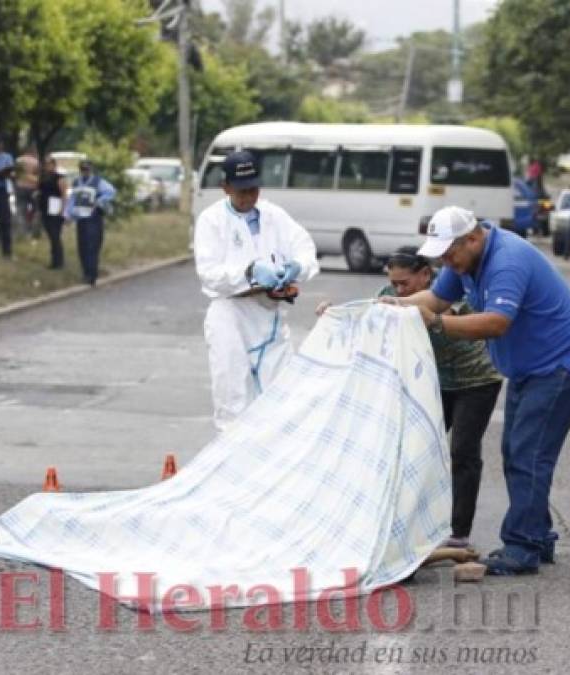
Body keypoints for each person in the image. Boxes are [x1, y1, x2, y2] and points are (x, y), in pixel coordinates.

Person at [387, 206, 570, 576]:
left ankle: (521, 548)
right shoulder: (464, 261)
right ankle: (536, 535)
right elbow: (434, 300)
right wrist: (389, 307)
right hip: (530, 367)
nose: (447, 262)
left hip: (562, 365)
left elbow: (496, 323)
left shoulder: (507, 261)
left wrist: (437, 324)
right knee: (518, 451)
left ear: (473, 238)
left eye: (450, 252)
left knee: (527, 454)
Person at [318, 247, 503, 549]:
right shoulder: (391, 294)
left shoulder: (451, 293)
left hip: (476, 380)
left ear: (426, 275)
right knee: (414, 450)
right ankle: (407, 524)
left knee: (463, 452)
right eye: (395, 283)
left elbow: (461, 322)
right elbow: (368, 315)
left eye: (405, 284)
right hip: (431, 381)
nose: (399, 290)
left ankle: (459, 532)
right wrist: (334, 312)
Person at [194, 150, 319, 431]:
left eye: (253, 189)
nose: (249, 197)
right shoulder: (211, 220)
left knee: (282, 400)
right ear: (225, 187)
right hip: (231, 317)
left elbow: (305, 248)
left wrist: (297, 266)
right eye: (241, 191)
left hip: (269, 315)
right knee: (233, 401)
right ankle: (234, 470)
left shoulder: (274, 215)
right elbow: (209, 274)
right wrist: (249, 272)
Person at [64, 160, 116, 285]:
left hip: (93, 218)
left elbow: (111, 192)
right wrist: (67, 214)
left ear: (91, 169)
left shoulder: (98, 182)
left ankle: (92, 275)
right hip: (81, 218)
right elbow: (72, 199)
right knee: (82, 247)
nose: (85, 172)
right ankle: (86, 272)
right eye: (82, 170)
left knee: (92, 246)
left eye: (87, 169)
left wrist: (98, 201)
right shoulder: (77, 182)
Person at [37, 156, 68, 269]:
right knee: (51, 235)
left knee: (55, 235)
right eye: (45, 164)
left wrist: (63, 209)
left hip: (56, 208)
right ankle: (54, 260)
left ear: (54, 165)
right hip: (45, 208)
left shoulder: (59, 178)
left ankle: (58, 262)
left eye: (49, 164)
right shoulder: (43, 178)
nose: (47, 166)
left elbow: (64, 194)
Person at [15, 147, 39, 237]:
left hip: (20, 186)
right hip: (33, 187)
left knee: (21, 209)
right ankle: (33, 229)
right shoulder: (36, 161)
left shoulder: (18, 160)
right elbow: (37, 174)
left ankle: (22, 231)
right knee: (36, 208)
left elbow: (15, 174)